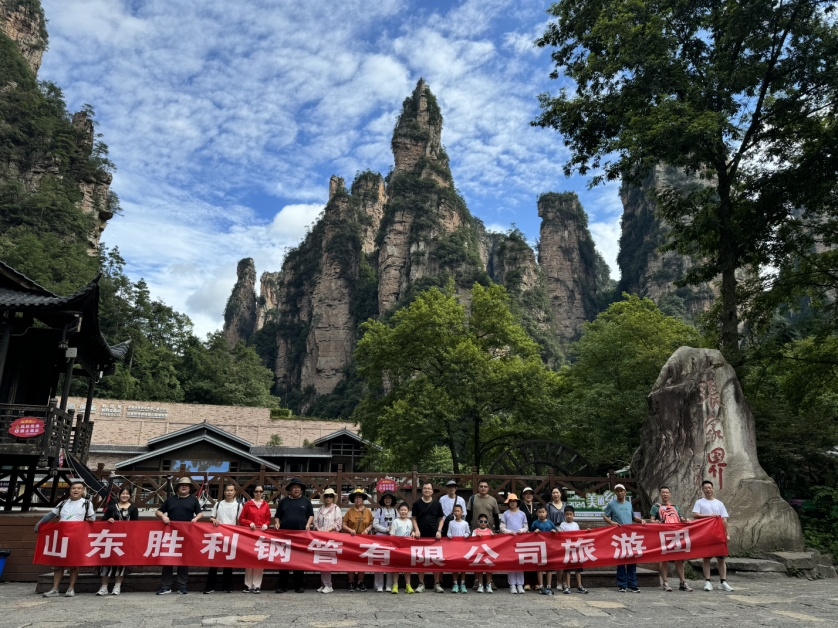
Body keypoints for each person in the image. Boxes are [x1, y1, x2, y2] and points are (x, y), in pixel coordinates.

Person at [35, 479, 96, 598]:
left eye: (79, 488)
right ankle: (55, 589)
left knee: (74, 564)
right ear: (70, 490)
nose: (76, 490)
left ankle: (71, 588)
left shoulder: (87, 503)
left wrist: (91, 519)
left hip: (76, 538)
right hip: (61, 537)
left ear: (82, 491)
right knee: (58, 564)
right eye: (74, 488)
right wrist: (40, 523)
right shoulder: (63, 503)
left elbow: (92, 515)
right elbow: (51, 514)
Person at [155, 477, 203, 595]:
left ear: (190, 488)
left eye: (186, 485)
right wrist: (163, 516)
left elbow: (200, 513)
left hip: (186, 534)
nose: (184, 486)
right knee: (168, 560)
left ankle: (182, 586)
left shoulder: (193, 500)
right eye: (182, 485)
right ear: (178, 487)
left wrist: (195, 519)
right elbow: (158, 511)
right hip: (171, 534)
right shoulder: (171, 500)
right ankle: (166, 586)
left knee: (184, 560)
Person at [602, 483, 646, 593]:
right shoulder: (611, 504)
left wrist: (641, 520)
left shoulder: (628, 504)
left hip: (630, 535)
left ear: (625, 492)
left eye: (621, 491)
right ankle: (622, 584)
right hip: (619, 535)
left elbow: (633, 517)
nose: (620, 493)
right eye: (617, 491)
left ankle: (632, 584)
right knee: (621, 560)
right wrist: (612, 522)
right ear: (615, 493)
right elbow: (604, 515)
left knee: (632, 559)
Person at [692, 480, 734, 592]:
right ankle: (708, 581)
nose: (708, 489)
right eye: (706, 488)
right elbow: (695, 515)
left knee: (721, 558)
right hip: (706, 533)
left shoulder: (719, 503)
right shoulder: (699, 502)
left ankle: (723, 581)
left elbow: (724, 519)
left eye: (709, 487)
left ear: (713, 489)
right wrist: (709, 516)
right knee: (706, 558)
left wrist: (727, 534)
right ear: (702, 489)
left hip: (719, 533)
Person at [274, 477, 314, 594]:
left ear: (301, 489)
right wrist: (277, 523)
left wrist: (308, 524)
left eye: (298, 487)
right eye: (294, 487)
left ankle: (299, 585)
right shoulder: (283, 501)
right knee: (284, 561)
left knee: (299, 560)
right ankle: (282, 586)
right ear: (290, 489)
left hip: (301, 536)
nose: (296, 489)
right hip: (285, 536)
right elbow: (277, 516)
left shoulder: (306, 501)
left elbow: (311, 515)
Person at [97, 486, 139, 596]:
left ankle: (117, 586)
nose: (125, 496)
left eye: (127, 494)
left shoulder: (133, 508)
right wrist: (109, 520)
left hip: (125, 540)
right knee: (106, 562)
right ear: (119, 495)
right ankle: (104, 587)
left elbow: (136, 525)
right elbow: (103, 521)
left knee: (121, 562)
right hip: (111, 539)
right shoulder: (112, 507)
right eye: (123, 493)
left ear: (130, 496)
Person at [650, 485, 693, 592]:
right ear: (660, 494)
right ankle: (665, 582)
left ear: (670, 494)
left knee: (679, 559)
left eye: (667, 492)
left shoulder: (675, 507)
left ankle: (683, 582)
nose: (665, 494)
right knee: (663, 559)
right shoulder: (656, 507)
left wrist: (686, 520)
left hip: (676, 535)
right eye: (663, 492)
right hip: (663, 536)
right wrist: (655, 521)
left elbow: (680, 518)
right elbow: (651, 520)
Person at [203, 483, 242, 594]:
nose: (229, 492)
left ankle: (227, 586)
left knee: (228, 562)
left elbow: (240, 521)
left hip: (230, 536)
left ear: (234, 492)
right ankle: (210, 586)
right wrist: (214, 520)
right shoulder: (218, 504)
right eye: (227, 490)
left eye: (231, 490)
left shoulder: (238, 506)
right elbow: (211, 517)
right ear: (224, 492)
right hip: (218, 536)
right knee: (214, 562)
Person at [411, 481, 445, 593]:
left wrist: (439, 531)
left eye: (429, 488)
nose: (427, 490)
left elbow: (441, 519)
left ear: (432, 491)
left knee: (436, 560)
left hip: (434, 537)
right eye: (425, 488)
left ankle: (437, 584)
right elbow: (414, 518)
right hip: (421, 537)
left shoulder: (437, 504)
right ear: (422, 490)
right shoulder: (417, 504)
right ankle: (421, 583)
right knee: (421, 560)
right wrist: (416, 530)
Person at [467, 479, 500, 590]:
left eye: (485, 486)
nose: (483, 488)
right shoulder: (472, 499)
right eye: (481, 486)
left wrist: (497, 530)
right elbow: (468, 515)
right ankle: (477, 581)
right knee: (477, 557)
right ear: (478, 488)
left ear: (488, 488)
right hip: (476, 533)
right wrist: (468, 529)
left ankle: (490, 581)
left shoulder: (493, 500)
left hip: (489, 533)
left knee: (489, 557)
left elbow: (496, 516)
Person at [239, 485, 271, 593]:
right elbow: (241, 519)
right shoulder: (248, 504)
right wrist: (249, 523)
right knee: (249, 559)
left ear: (263, 493)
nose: (258, 493)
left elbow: (268, 518)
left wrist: (266, 524)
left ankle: (257, 585)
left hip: (261, 535)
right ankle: (248, 584)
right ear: (253, 492)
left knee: (259, 559)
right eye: (256, 491)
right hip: (250, 535)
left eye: (260, 491)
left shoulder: (266, 505)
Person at [343, 488, 374, 592]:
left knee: (362, 561)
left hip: (364, 539)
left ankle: (360, 582)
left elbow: (371, 523)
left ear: (363, 499)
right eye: (356, 498)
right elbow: (343, 524)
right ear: (353, 500)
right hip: (351, 539)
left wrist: (367, 529)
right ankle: (351, 582)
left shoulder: (367, 511)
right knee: (350, 561)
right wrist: (350, 530)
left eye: (360, 497)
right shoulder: (350, 511)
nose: (358, 500)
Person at [313, 488, 343, 594]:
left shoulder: (336, 509)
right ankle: (323, 584)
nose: (328, 498)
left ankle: (328, 585)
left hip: (331, 538)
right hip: (321, 537)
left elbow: (338, 523)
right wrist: (318, 529)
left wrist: (328, 530)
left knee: (326, 560)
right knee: (321, 560)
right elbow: (315, 521)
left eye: (330, 496)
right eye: (327, 496)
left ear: (333, 498)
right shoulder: (320, 509)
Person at [500, 493, 528, 593]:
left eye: (514, 501)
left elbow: (526, 526)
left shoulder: (522, 514)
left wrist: (522, 530)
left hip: (520, 540)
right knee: (511, 562)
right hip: (510, 540)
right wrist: (509, 532)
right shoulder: (506, 514)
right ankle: (512, 585)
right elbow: (502, 527)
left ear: (517, 502)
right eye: (510, 502)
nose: (512, 503)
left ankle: (520, 584)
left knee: (520, 561)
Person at [558, 506, 588, 594]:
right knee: (567, 569)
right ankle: (567, 586)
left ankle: (579, 585)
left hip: (576, 549)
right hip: (567, 549)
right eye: (567, 514)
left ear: (573, 515)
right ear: (564, 515)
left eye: (570, 514)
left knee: (578, 569)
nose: (569, 516)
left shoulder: (576, 525)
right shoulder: (562, 525)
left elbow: (579, 534)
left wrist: (587, 532)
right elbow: (560, 536)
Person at [372, 491, 398, 592]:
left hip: (391, 538)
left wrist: (392, 530)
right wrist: (385, 529)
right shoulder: (379, 510)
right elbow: (375, 524)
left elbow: (397, 523)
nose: (388, 500)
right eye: (386, 498)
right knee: (379, 560)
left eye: (389, 498)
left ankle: (389, 585)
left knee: (389, 561)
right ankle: (378, 585)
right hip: (380, 537)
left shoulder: (395, 511)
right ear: (383, 500)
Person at [529, 505, 557, 594]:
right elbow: (529, 534)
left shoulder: (550, 523)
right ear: (537, 513)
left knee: (549, 568)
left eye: (543, 512)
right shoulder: (535, 523)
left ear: (546, 513)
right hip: (539, 548)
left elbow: (556, 533)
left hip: (549, 547)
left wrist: (554, 532)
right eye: (540, 512)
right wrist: (534, 532)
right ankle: (541, 585)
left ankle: (549, 585)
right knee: (539, 567)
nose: (542, 514)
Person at [389, 503, 415, 594]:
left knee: (407, 567)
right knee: (396, 567)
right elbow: (392, 535)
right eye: (401, 510)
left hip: (407, 547)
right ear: (398, 511)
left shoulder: (410, 521)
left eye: (405, 510)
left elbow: (411, 532)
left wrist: (413, 533)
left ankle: (408, 585)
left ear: (408, 511)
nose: (403, 512)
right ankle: (395, 585)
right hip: (397, 547)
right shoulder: (395, 521)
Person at [546, 487, 568, 588]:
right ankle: (558, 581)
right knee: (557, 558)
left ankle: (565, 582)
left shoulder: (566, 505)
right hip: (553, 532)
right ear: (551, 494)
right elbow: (548, 519)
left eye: (557, 492)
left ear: (561, 494)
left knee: (565, 557)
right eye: (554, 493)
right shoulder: (549, 506)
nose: (556, 494)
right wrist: (554, 529)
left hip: (565, 532)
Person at [446, 504, 470, 593]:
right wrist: (449, 535)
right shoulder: (451, 523)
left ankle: (463, 583)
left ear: (462, 512)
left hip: (463, 547)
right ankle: (455, 583)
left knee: (463, 566)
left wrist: (466, 535)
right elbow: (448, 531)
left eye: (458, 511)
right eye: (455, 511)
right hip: (453, 547)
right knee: (454, 565)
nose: (456, 513)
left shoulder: (465, 523)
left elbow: (468, 532)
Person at [519, 487, 538, 590]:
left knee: (535, 558)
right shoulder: (520, 506)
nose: (528, 495)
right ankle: (527, 582)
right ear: (523, 495)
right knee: (526, 558)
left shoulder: (536, 506)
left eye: (530, 493)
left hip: (535, 535)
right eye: (526, 493)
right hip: (524, 535)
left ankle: (536, 582)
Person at [471, 515, 494, 593]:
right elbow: (471, 540)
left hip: (488, 553)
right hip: (479, 553)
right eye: (481, 521)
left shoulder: (489, 531)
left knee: (489, 570)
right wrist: (476, 536)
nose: (483, 523)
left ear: (487, 522)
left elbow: (494, 541)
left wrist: (493, 536)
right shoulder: (475, 531)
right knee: (480, 569)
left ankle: (489, 584)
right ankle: (480, 584)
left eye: (485, 521)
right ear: (478, 522)